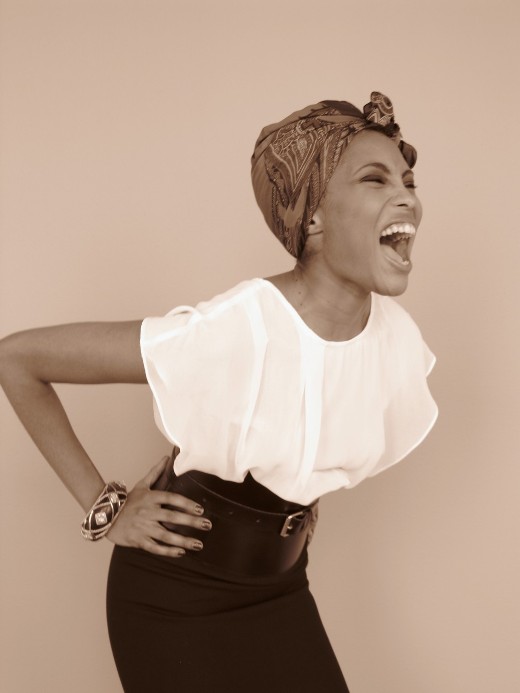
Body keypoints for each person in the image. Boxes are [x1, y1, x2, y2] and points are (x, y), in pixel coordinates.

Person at [0, 91, 438, 692]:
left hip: (280, 588)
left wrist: (295, 504)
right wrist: (106, 510)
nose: (407, 196)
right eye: (375, 178)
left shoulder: (393, 339)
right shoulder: (239, 327)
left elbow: (313, 430)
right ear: (313, 217)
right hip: (176, 598)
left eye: (408, 181)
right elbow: (17, 360)